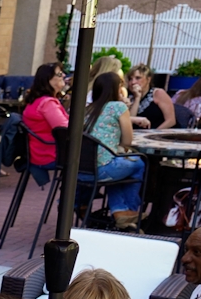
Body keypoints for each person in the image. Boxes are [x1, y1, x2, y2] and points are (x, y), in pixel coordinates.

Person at [83, 71, 146, 230]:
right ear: (116, 88)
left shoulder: (87, 109)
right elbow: (127, 141)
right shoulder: (118, 107)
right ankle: (127, 212)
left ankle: (121, 212)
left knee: (120, 168)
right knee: (138, 163)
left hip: (81, 170)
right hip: (103, 170)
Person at [22, 63, 69, 177]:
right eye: (59, 74)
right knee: (96, 161)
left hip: (39, 153)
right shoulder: (47, 104)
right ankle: (77, 194)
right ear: (48, 79)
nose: (63, 75)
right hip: (51, 155)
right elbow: (65, 129)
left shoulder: (36, 100)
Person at [127, 64, 177, 131]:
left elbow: (171, 121)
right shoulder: (129, 97)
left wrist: (153, 134)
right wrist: (137, 98)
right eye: (130, 79)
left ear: (148, 79)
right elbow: (130, 121)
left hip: (159, 134)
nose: (133, 82)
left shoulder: (158, 93)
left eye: (138, 78)